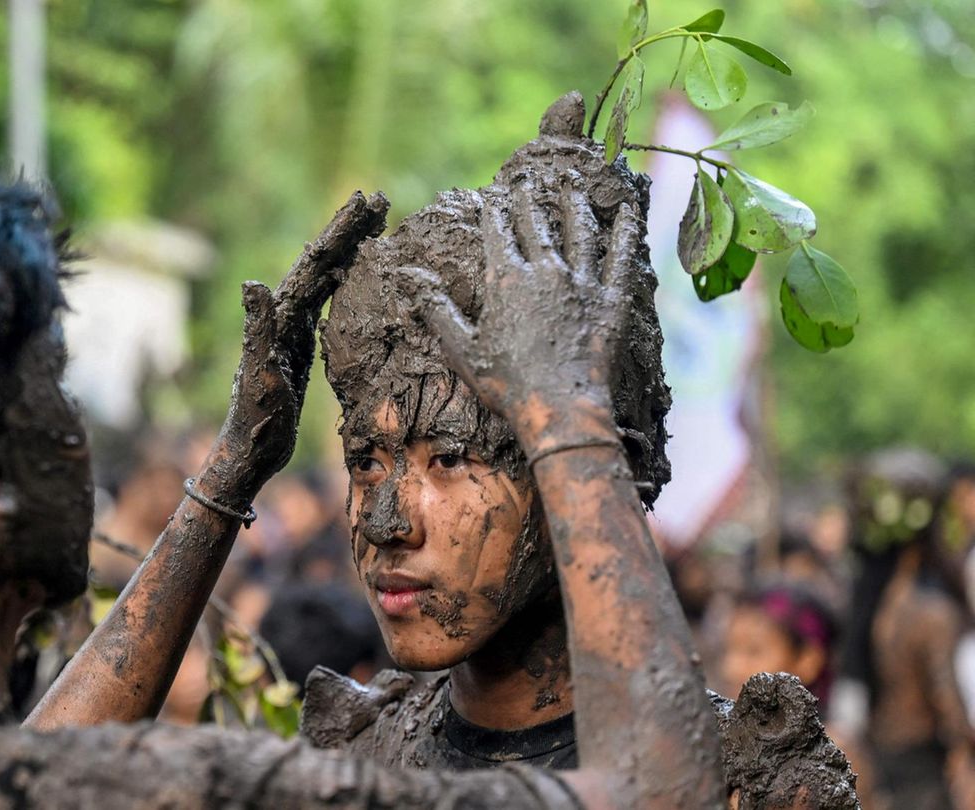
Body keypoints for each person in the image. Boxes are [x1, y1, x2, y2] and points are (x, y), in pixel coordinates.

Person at [0, 144, 722, 808]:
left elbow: (18, 774)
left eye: (445, 457)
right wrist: (567, 413)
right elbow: (656, 793)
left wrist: (229, 473)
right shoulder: (188, 789)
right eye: (52, 388)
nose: (389, 513)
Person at [292, 93, 857, 807]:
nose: (386, 522)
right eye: (367, 461)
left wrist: (565, 416)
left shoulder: (749, 785)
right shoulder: (356, 757)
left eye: (449, 458)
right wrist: (227, 475)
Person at [843, 448, 975, 809]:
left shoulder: (875, 601)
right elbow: (949, 707)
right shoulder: (930, 610)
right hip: (923, 775)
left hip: (884, 762)